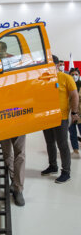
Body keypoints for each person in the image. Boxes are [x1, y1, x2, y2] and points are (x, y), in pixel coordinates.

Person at [41, 55, 79, 183]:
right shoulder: (44, 78)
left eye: (50, 64)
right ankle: (53, 166)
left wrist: (74, 112)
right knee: (49, 143)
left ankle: (66, 172)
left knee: (62, 145)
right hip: (47, 116)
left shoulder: (66, 78)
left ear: (57, 65)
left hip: (61, 117)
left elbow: (74, 95)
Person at [0, 135, 26, 206]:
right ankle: (14, 180)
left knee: (20, 154)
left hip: (19, 125)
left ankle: (18, 189)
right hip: (2, 125)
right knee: (7, 153)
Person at [68, 68, 81, 158]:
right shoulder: (67, 86)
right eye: (72, 74)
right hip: (70, 113)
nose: (74, 76)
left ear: (79, 75)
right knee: (72, 133)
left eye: (76, 74)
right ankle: (75, 150)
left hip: (80, 113)